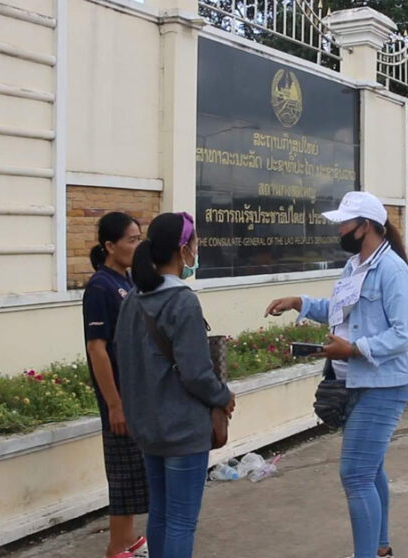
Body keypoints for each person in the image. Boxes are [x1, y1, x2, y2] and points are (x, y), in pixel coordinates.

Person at [264, 191, 408, 558]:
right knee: (370, 468)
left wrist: (353, 349)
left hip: (384, 383)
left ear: (365, 227)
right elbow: (341, 311)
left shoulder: (393, 270)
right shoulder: (355, 266)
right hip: (354, 381)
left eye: (345, 224)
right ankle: (379, 547)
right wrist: (301, 302)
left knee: (355, 474)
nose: (340, 231)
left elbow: (405, 333)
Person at [115, 212, 235, 558]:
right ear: (183, 250)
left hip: (148, 428)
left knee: (161, 514)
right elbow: (196, 372)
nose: (197, 252)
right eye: (195, 244)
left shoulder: (132, 300)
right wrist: (222, 395)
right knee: (182, 521)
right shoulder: (181, 300)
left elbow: (125, 360)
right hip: (182, 430)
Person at [82, 212, 148, 558]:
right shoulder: (100, 287)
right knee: (123, 475)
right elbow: (97, 348)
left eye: (140, 238)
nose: (138, 246)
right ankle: (116, 548)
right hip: (119, 397)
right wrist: (114, 404)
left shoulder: (129, 281)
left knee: (135, 472)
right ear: (110, 246)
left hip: (136, 394)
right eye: (132, 240)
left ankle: (130, 539)